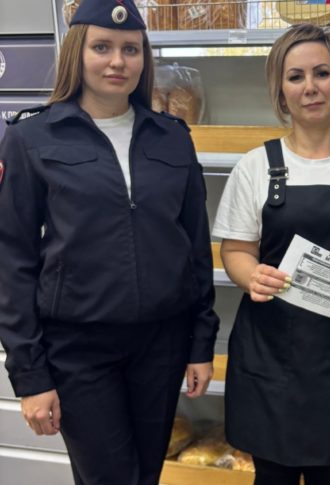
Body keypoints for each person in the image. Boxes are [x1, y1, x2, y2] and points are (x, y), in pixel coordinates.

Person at [0, 1, 219, 484]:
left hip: (161, 344)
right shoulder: (32, 137)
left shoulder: (172, 138)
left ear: (144, 58)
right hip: (77, 348)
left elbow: (194, 247)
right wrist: (30, 375)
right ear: (77, 53)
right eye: (102, 47)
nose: (118, 61)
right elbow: (12, 261)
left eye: (130, 49)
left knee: (145, 475)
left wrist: (200, 343)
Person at [212, 24, 330, 485]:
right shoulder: (256, 167)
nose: (310, 87)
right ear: (281, 91)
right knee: (271, 474)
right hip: (270, 357)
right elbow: (236, 249)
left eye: (322, 73)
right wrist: (249, 275)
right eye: (295, 77)